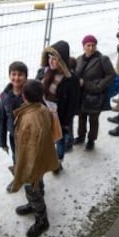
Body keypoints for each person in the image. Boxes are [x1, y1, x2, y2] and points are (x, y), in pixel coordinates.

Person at [11, 79, 59, 237]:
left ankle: (41, 219)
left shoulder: (30, 119)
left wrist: (27, 169)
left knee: (32, 188)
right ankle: (34, 203)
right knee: (38, 183)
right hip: (40, 157)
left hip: (31, 162)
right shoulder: (42, 108)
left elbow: (30, 147)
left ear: (24, 97)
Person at [36, 40, 80, 172]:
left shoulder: (71, 79)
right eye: (49, 58)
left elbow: (73, 103)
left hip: (59, 117)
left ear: (62, 60)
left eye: (54, 59)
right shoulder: (43, 72)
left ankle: (58, 161)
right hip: (43, 114)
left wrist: (66, 123)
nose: (51, 61)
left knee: (59, 140)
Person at [75, 35, 115, 150]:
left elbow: (111, 75)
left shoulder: (103, 59)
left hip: (95, 95)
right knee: (81, 118)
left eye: (93, 45)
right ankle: (81, 136)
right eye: (88, 45)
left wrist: (99, 86)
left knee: (93, 119)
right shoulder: (79, 59)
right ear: (83, 46)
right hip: (82, 96)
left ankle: (91, 140)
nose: (91, 48)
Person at [0, 61, 28, 192]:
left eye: (20, 75)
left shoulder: (31, 93)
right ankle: (18, 178)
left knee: (30, 160)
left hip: (30, 136)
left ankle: (34, 184)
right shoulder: (5, 96)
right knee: (16, 158)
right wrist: (2, 141)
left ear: (26, 76)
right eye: (13, 74)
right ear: (9, 75)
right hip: (14, 136)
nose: (16, 78)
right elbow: (2, 120)